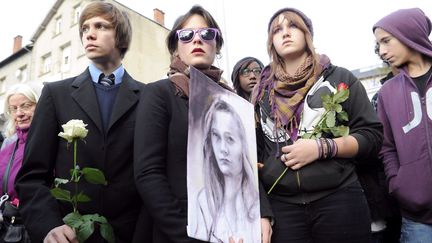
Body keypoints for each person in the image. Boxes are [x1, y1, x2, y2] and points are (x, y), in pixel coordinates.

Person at [134, 5, 273, 243]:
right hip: (177, 232)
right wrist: (188, 234)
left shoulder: (234, 103)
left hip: (235, 231)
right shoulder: (159, 93)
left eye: (207, 34)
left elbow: (247, 167)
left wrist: (262, 214)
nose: (197, 39)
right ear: (175, 47)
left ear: (216, 46)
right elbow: (148, 174)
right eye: (186, 35)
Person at [15, 2, 150, 243]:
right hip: (70, 235)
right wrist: (48, 226)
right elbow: (32, 176)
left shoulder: (149, 97)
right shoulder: (56, 95)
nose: (89, 33)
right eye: (85, 27)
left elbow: (154, 174)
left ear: (120, 36)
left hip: (131, 235)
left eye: (100, 26)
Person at [251, 8, 383, 242]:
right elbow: (254, 155)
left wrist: (322, 148)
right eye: (277, 30)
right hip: (283, 207)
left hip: (339, 198)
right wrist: (263, 210)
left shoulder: (340, 78)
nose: (285, 33)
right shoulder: (261, 92)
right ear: (271, 41)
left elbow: (372, 136)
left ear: (307, 34)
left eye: (293, 26)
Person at [373, 8, 432, 242]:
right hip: (416, 218)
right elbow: (386, 147)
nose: (382, 51)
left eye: (386, 41)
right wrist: (398, 183)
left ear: (409, 34)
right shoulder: (387, 92)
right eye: (379, 44)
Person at [193, 97, 260, 242]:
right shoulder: (204, 200)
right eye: (216, 136)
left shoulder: (256, 202)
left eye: (230, 139)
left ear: (243, 145)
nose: (222, 149)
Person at [0, 83, 39, 201]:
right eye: (14, 109)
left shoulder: (51, 139)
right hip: (9, 216)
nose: (19, 113)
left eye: (26, 106)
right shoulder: (8, 144)